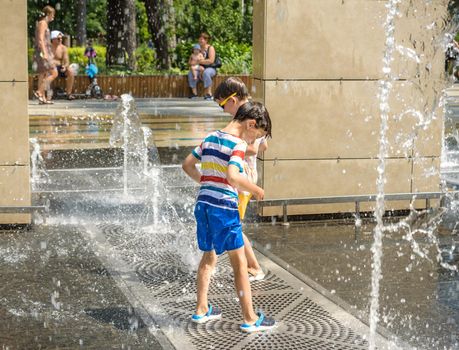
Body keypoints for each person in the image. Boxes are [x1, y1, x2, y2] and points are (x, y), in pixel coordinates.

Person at [182, 102, 276, 332]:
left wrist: (206, 182)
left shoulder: (211, 137)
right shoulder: (238, 143)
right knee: (240, 264)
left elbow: (187, 164)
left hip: (203, 204)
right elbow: (233, 177)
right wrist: (255, 189)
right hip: (224, 207)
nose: (253, 142)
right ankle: (250, 318)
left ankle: (202, 309)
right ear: (250, 124)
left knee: (208, 257)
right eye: (257, 136)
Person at [213, 77, 268, 281]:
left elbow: (258, 146)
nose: (223, 109)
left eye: (222, 104)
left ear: (233, 99)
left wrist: (231, 150)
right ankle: (250, 265)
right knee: (232, 224)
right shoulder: (247, 115)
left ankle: (254, 266)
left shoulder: (251, 116)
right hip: (239, 175)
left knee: (233, 224)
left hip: (243, 177)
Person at [33, 5, 57, 104]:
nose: (53, 17)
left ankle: (42, 98)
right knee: (54, 73)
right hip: (43, 52)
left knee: (43, 74)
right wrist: (45, 53)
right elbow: (40, 39)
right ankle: (39, 91)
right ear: (48, 14)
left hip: (43, 51)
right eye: (52, 15)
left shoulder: (43, 23)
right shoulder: (43, 23)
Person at [188, 32, 217, 100]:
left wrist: (198, 61)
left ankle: (209, 94)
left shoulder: (210, 48)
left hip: (210, 68)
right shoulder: (197, 48)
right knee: (190, 73)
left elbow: (211, 61)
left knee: (206, 73)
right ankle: (194, 93)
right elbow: (192, 60)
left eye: (202, 39)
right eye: (199, 39)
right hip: (199, 67)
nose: (200, 40)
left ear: (206, 40)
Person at [50, 30, 75, 100]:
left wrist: (65, 66)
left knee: (70, 71)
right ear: (53, 39)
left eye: (61, 38)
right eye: (58, 38)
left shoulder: (63, 48)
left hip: (59, 67)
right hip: (50, 68)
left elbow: (67, 61)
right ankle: (48, 93)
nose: (60, 40)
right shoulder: (48, 47)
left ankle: (68, 94)